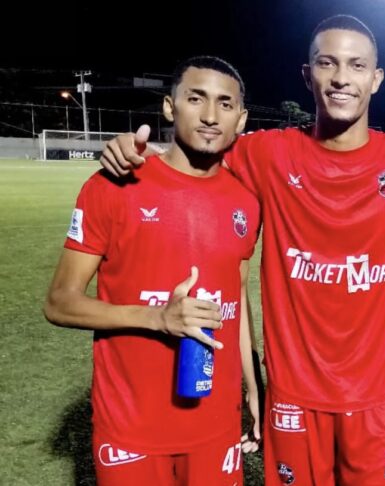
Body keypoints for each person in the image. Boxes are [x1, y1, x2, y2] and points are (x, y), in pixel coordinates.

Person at [99, 15, 385, 485]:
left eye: (357, 65)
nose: (341, 77)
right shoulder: (265, 153)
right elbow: (193, 150)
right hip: (292, 395)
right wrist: (130, 149)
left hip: (375, 397)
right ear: (308, 75)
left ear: (376, 78)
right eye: (327, 63)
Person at [44, 56, 262, 486]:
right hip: (131, 428)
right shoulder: (113, 185)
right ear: (169, 106)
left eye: (225, 104)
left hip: (216, 425)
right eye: (195, 99)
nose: (210, 115)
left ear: (241, 119)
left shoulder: (246, 201)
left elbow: (234, 299)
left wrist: (253, 387)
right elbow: (59, 302)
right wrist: (158, 318)